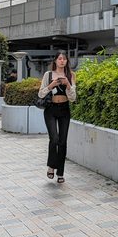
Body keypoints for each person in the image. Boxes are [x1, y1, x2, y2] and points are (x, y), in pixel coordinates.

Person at [38, 51, 76, 184]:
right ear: (55, 60)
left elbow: (73, 98)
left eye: (64, 59)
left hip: (64, 109)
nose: (62, 61)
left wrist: (68, 85)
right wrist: (51, 85)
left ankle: (60, 173)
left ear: (67, 61)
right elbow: (41, 94)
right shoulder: (48, 75)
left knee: (63, 142)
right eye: (59, 59)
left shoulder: (70, 75)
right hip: (51, 110)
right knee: (54, 139)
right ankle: (51, 166)